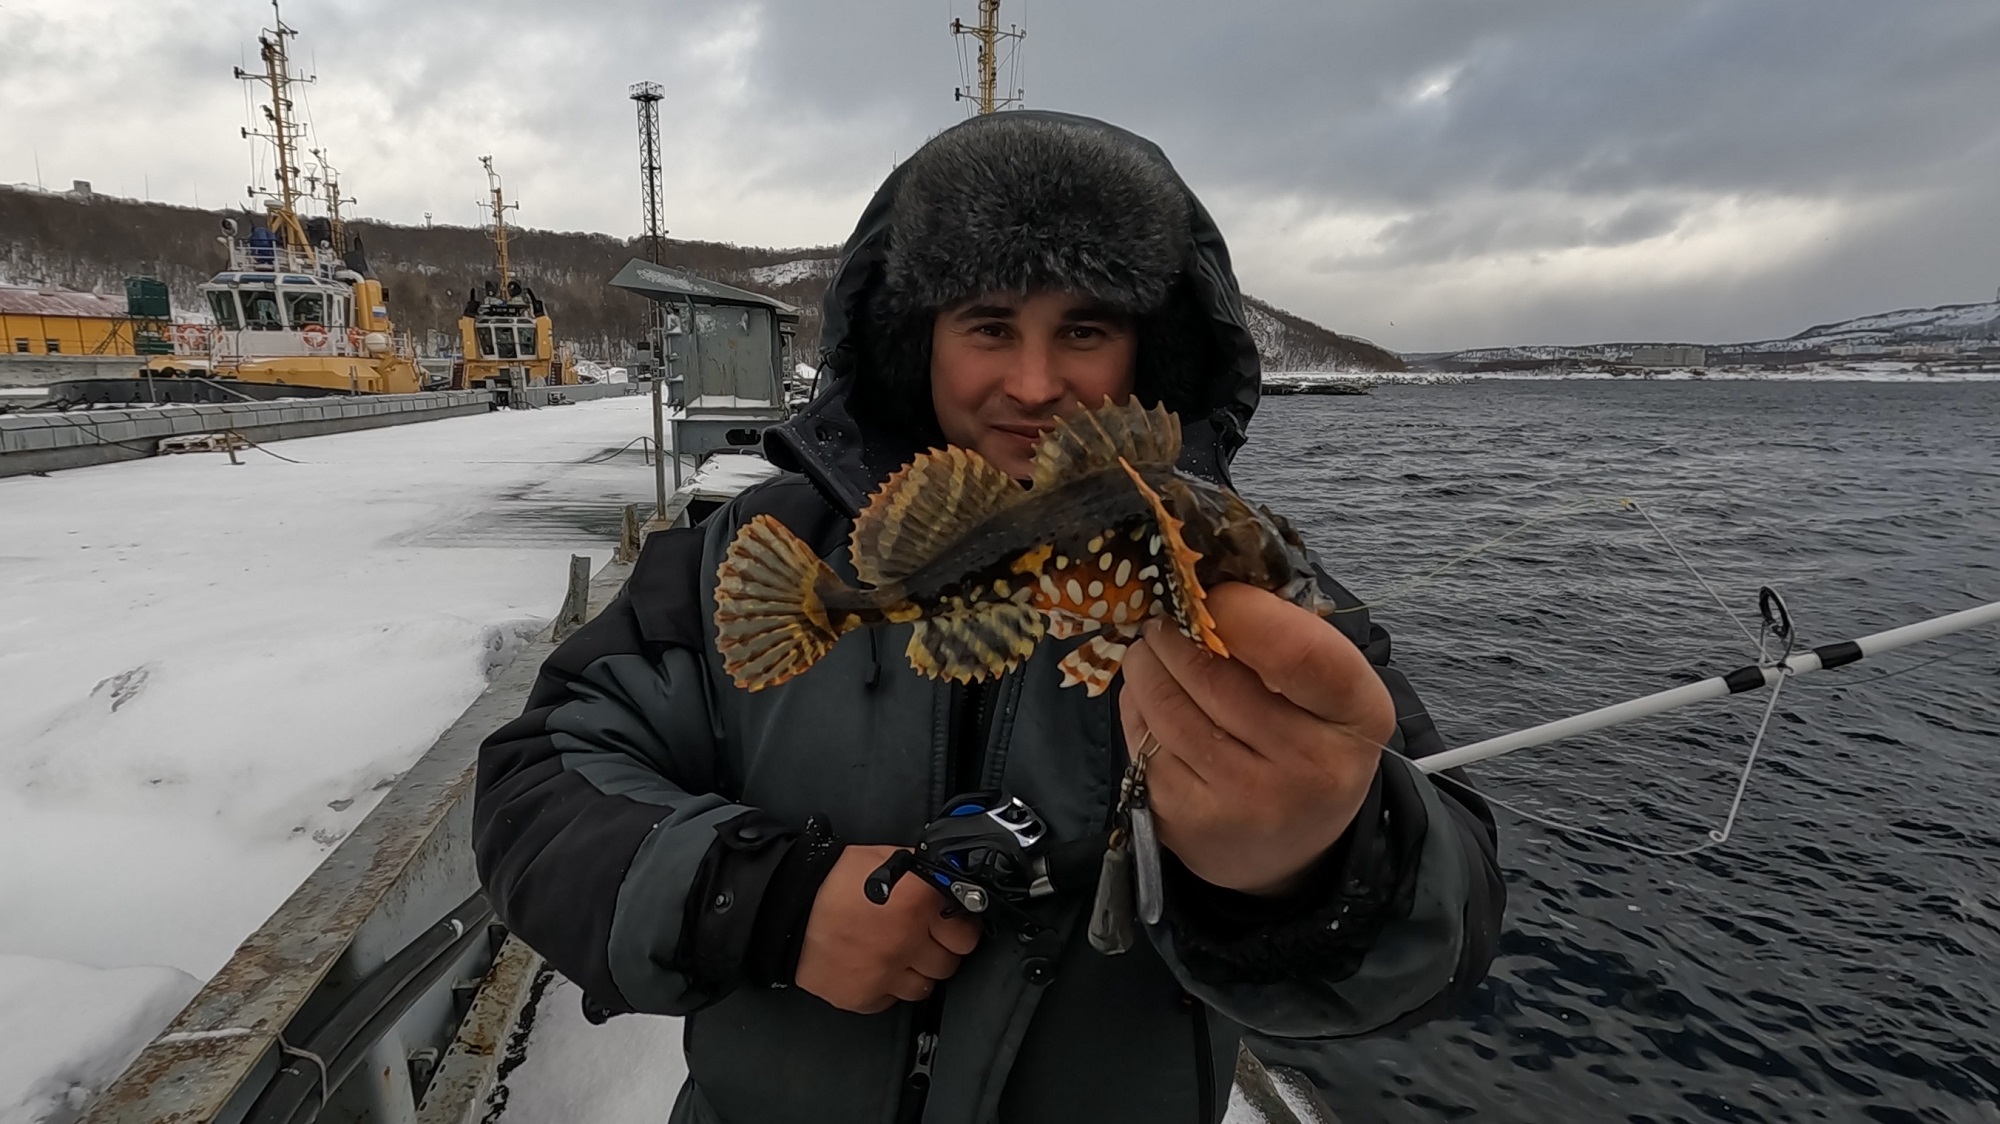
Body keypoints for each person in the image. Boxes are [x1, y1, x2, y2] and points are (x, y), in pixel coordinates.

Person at [474, 111, 1503, 1123]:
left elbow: (1451, 914)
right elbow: (535, 784)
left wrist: (1307, 870)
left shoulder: (1250, 589)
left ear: (1146, 352)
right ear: (915, 337)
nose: (1034, 382)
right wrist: (764, 903)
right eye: (988, 325)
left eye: (1085, 330)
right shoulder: (742, 548)